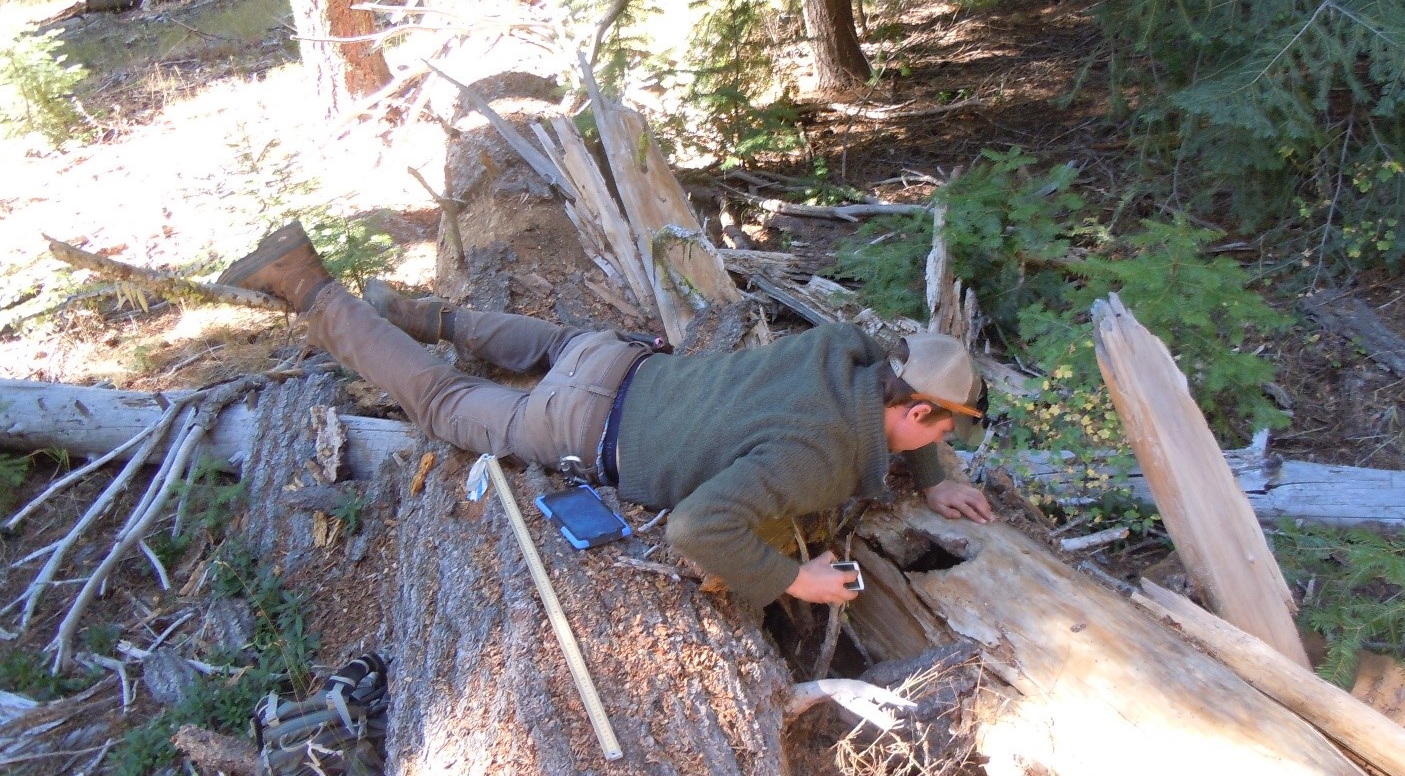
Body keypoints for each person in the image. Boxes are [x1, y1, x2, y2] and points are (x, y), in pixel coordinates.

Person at [220, 222, 995, 608]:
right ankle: (308, 289)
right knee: (444, 401)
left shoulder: (846, 349)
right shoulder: (817, 459)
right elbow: (699, 528)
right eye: (940, 431)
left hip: (616, 359)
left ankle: (423, 314)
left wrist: (927, 475)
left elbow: (898, 392)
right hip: (578, 428)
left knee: (555, 342)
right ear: (916, 406)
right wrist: (797, 580)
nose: (942, 445)